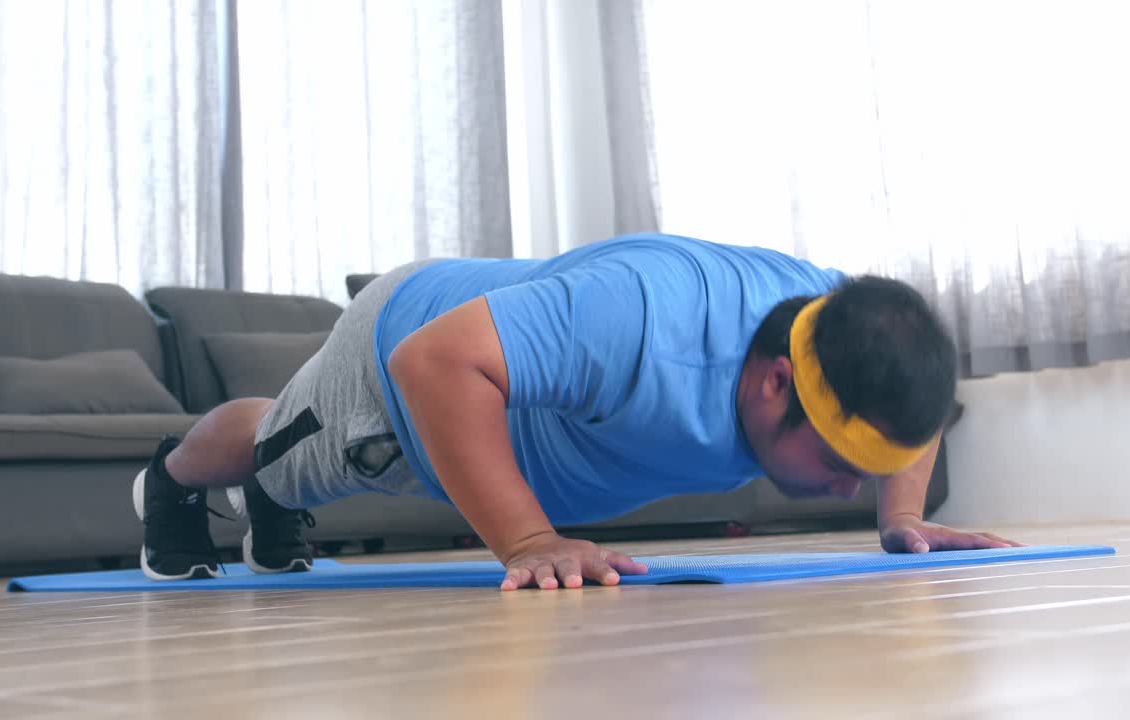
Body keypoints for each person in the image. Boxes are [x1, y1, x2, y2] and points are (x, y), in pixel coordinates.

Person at [133, 232, 1021, 589]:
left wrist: (902, 513)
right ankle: (168, 482)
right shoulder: (642, 319)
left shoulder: (848, 325)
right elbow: (433, 362)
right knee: (273, 448)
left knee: (287, 474)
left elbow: (916, 411)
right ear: (774, 385)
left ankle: (276, 505)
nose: (839, 491)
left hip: (497, 346)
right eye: (835, 463)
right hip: (400, 357)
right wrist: (530, 541)